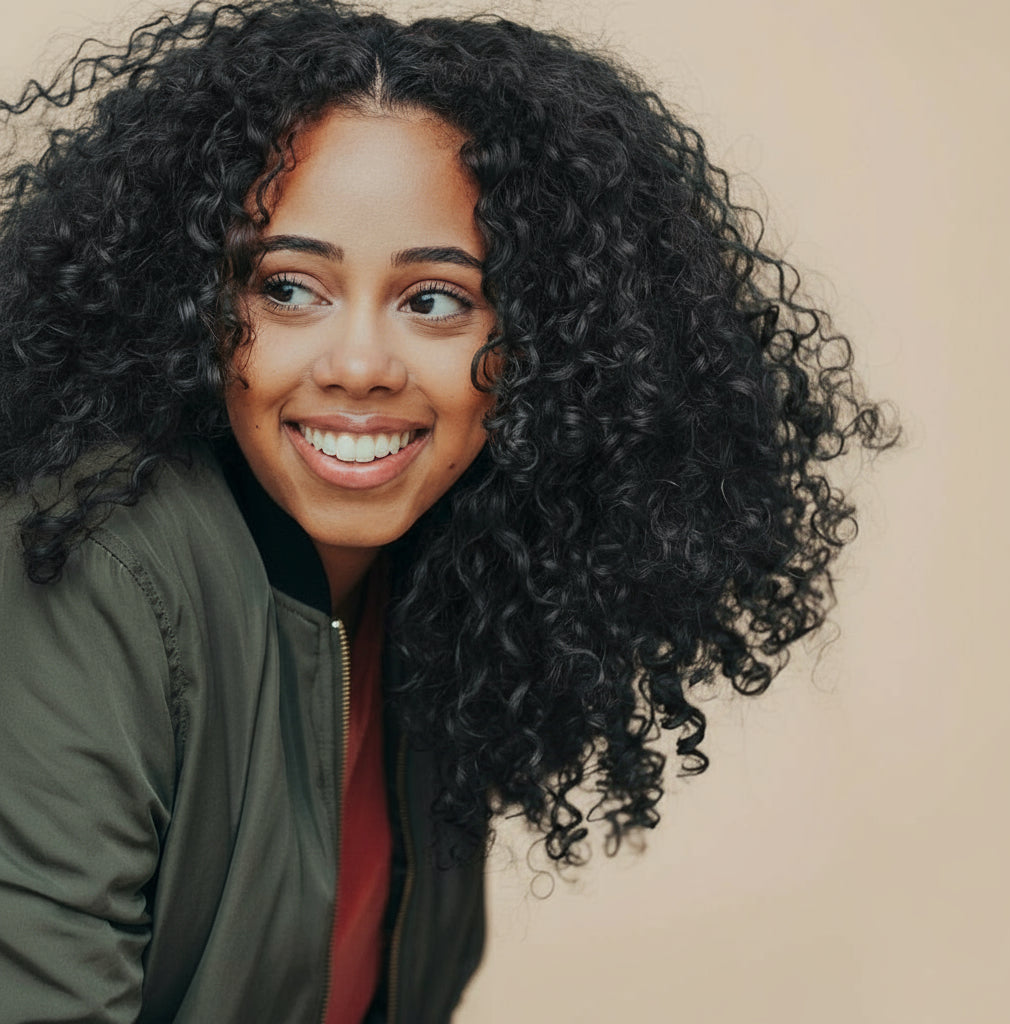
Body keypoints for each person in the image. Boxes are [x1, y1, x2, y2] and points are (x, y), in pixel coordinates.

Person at [0, 1, 898, 1021]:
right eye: (290, 288)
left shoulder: (451, 598)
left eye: (434, 301)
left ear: (543, 345)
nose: (358, 367)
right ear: (193, 302)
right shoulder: (91, 569)